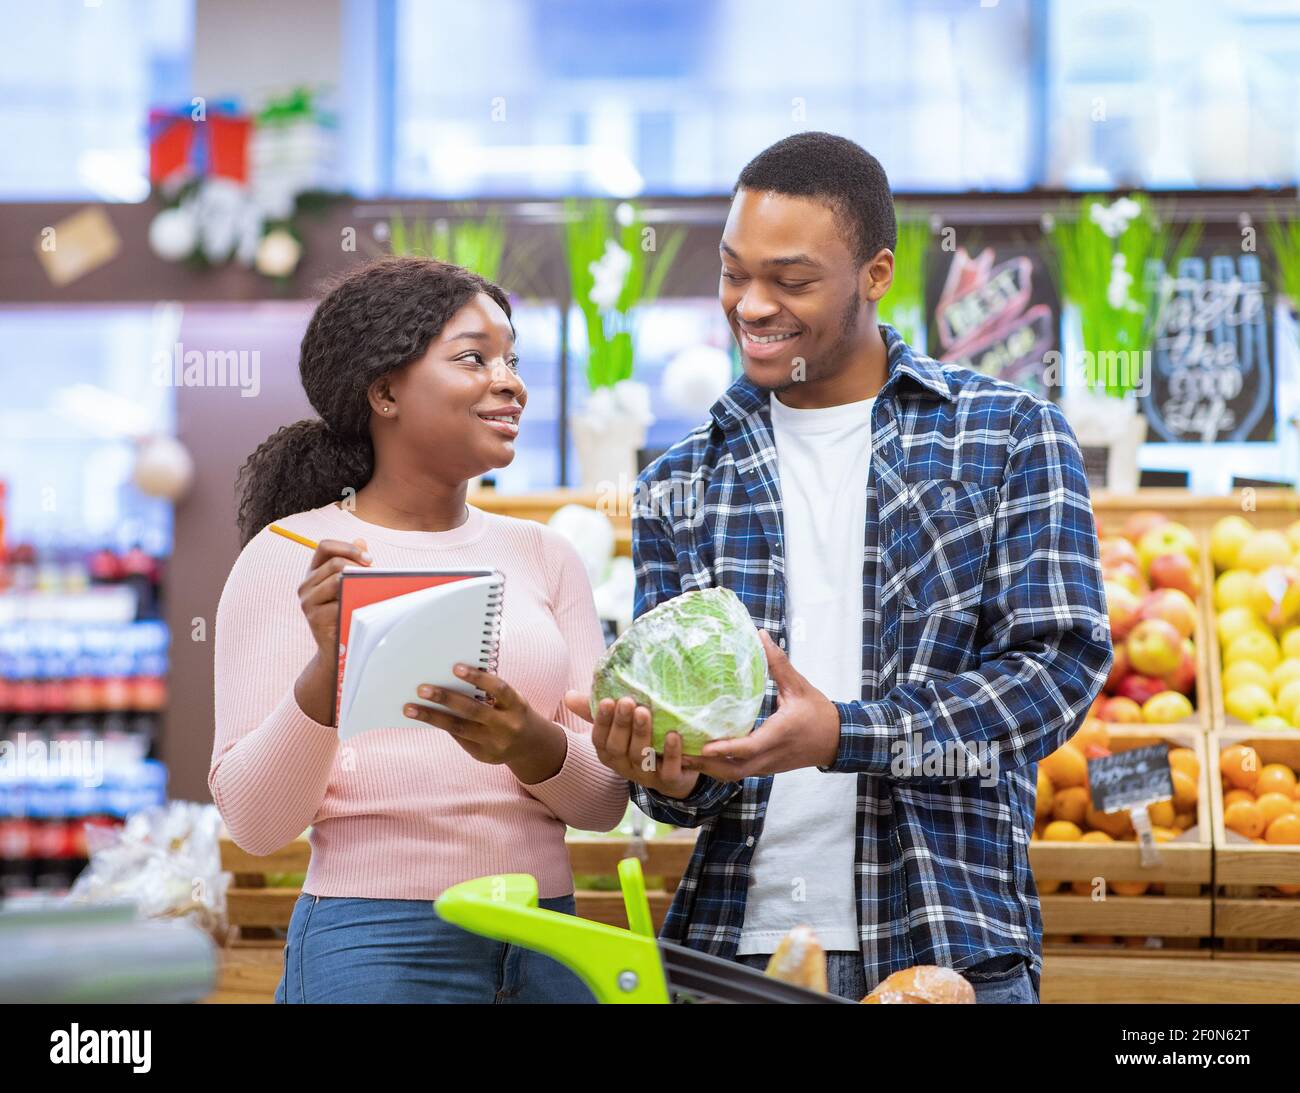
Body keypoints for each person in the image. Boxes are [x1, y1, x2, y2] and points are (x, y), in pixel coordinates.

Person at [567, 132, 1111, 1003]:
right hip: (733, 950)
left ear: (876, 273)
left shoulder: (1006, 435)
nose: (752, 305)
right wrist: (665, 771)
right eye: (733, 273)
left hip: (947, 943)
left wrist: (843, 733)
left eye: (791, 280)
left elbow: (1056, 674)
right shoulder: (681, 479)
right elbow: (684, 794)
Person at [212, 256, 627, 1003]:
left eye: (512, 360)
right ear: (385, 392)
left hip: (550, 939)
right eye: (473, 358)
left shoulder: (545, 556)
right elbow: (256, 823)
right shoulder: (291, 554)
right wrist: (328, 673)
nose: (510, 382)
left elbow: (602, 804)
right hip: (372, 944)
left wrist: (527, 741)